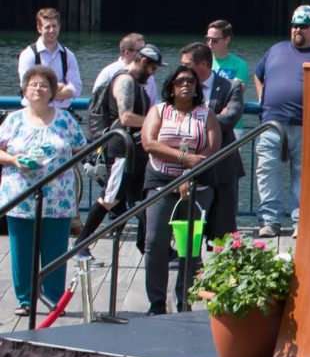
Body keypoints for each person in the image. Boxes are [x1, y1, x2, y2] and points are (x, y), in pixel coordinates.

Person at [0, 66, 86, 316]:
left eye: (44, 85)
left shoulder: (66, 119)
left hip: (58, 197)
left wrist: (61, 165)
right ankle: (26, 300)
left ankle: (53, 299)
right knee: (22, 250)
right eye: (33, 85)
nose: (38, 89)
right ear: (25, 90)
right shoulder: (13, 119)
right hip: (20, 195)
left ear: (53, 92)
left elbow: (81, 147)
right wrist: (15, 161)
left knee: (55, 248)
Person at [139, 65, 222, 315]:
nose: (185, 84)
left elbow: (212, 148)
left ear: (197, 87)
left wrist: (190, 172)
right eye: (179, 81)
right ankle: (156, 303)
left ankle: (184, 299)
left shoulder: (206, 114)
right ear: (171, 87)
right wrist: (184, 158)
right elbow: (149, 143)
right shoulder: (159, 110)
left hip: (197, 185)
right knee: (155, 241)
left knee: (189, 246)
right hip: (161, 182)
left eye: (190, 81)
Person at [253, 5, 310, 239]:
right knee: (268, 172)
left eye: (302, 26)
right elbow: (258, 74)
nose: (297, 30)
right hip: (271, 124)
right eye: (294, 26)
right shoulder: (276, 49)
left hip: (309, 127)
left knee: (305, 176)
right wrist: (262, 96)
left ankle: (301, 222)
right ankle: (270, 221)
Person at [77, 44, 163, 257]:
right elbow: (126, 117)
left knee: (144, 197)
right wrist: (158, 122)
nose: (153, 74)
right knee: (110, 197)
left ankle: (148, 246)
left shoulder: (136, 83)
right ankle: (81, 244)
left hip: (136, 149)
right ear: (143, 62)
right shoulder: (125, 81)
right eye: (153, 69)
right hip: (122, 150)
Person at [179, 42, 244, 240]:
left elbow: (231, 117)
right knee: (189, 224)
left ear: (204, 64)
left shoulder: (230, 86)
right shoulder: (180, 86)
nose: (183, 70)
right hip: (188, 163)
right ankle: (188, 263)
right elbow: (173, 116)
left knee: (223, 226)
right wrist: (214, 118)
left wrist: (197, 121)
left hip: (221, 165)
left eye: (187, 64)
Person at [17, 8, 83, 111]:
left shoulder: (68, 56)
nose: (52, 30)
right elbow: (26, 87)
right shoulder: (28, 54)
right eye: (47, 27)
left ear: (59, 27)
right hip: (33, 113)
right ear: (39, 28)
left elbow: (76, 89)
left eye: (54, 26)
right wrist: (60, 86)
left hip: (61, 113)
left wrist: (43, 90)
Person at [93, 32, 158, 106]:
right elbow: (96, 103)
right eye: (140, 51)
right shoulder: (108, 72)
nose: (145, 54)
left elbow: (152, 103)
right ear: (127, 53)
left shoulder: (148, 74)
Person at [206, 20, 249, 86]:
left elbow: (237, 91)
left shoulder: (240, 64)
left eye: (214, 40)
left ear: (227, 40)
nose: (210, 43)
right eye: (208, 39)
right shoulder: (203, 62)